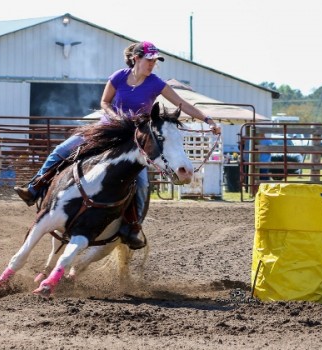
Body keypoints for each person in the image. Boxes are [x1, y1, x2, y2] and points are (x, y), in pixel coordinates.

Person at [14, 41, 220, 248]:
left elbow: (182, 104)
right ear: (136, 58)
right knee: (61, 150)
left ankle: (131, 227)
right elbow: (105, 102)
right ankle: (35, 187)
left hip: (134, 140)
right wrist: (114, 117)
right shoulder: (118, 77)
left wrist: (208, 120)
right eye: (149, 60)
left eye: (155, 61)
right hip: (106, 129)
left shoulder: (156, 83)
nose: (152, 64)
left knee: (142, 184)